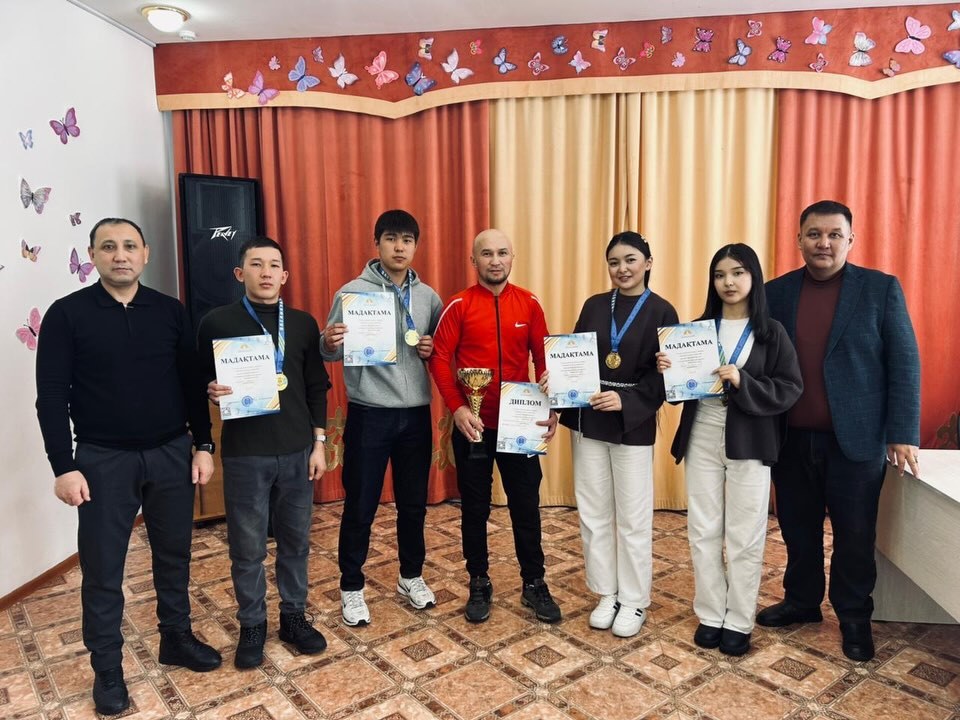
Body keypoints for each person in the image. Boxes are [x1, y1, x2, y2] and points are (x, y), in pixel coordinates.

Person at [35, 217, 222, 716]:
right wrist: (63, 466)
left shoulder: (170, 311)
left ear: (146, 254)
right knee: (103, 570)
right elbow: (50, 396)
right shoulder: (67, 315)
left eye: (130, 246)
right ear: (92, 255)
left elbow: (190, 383)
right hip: (101, 460)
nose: (120, 255)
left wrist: (204, 445)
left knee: (174, 556)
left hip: (170, 452)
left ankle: (176, 638)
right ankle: (108, 670)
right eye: (109, 247)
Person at [758, 200, 921, 662]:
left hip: (857, 440)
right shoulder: (775, 293)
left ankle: (853, 616)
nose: (823, 243)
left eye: (834, 234)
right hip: (791, 438)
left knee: (854, 535)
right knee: (798, 529)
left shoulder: (880, 289)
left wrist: (902, 432)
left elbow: (904, 362)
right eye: (814, 234)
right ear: (799, 240)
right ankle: (802, 601)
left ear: (851, 239)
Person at [659, 243, 802, 655]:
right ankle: (710, 614)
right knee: (703, 528)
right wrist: (668, 371)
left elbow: (790, 388)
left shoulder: (771, 332)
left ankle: (739, 619)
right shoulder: (695, 331)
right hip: (703, 430)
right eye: (720, 275)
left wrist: (743, 381)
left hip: (751, 437)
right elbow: (678, 392)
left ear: (753, 277)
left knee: (745, 532)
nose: (729, 282)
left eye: (738, 273)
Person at [199, 237, 330, 668]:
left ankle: (293, 618)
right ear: (241, 274)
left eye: (274, 265)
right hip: (245, 455)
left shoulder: (303, 324)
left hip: (297, 452)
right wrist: (210, 390)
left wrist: (319, 444)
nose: (266, 272)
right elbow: (197, 381)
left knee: (295, 543)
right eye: (256, 264)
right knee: (247, 548)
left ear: (285, 275)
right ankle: (252, 624)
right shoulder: (216, 323)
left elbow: (317, 388)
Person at [547, 232, 678, 638]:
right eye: (614, 262)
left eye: (630, 260)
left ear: (648, 263)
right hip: (589, 418)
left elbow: (666, 374)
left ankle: (634, 599)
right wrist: (557, 382)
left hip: (632, 422)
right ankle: (606, 592)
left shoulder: (663, 310)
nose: (622, 269)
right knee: (593, 511)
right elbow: (573, 357)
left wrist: (628, 401)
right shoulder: (594, 305)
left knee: (633, 516)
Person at [429, 228, 561, 624]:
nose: (495, 260)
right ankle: (479, 580)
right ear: (474, 261)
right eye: (486, 254)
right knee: (474, 507)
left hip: (521, 424)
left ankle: (534, 582)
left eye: (502, 252)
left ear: (512, 257)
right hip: (474, 424)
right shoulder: (458, 305)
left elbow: (544, 358)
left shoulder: (529, 303)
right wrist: (457, 408)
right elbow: (439, 358)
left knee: (526, 505)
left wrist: (552, 406)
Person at [321, 210, 442, 626]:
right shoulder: (352, 293)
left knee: (414, 504)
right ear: (377, 243)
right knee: (360, 504)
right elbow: (329, 351)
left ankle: (411, 576)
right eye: (391, 238)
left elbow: (440, 352)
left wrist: (431, 349)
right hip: (369, 414)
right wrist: (329, 341)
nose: (399, 247)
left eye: (407, 240)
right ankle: (351, 586)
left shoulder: (428, 297)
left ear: (415, 246)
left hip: (415, 416)